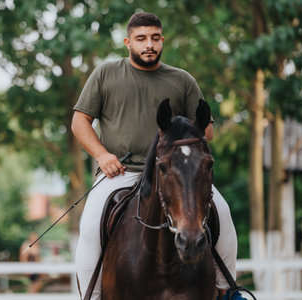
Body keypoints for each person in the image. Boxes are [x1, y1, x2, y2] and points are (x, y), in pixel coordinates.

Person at [71, 12, 246, 300]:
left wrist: (181, 132)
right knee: (90, 227)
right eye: (141, 39)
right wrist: (102, 155)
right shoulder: (105, 74)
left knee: (223, 213)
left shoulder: (182, 80)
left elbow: (208, 132)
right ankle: (91, 296)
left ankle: (229, 292)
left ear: (162, 40)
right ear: (128, 42)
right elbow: (80, 122)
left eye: (154, 38)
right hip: (120, 172)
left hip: (175, 173)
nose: (148, 44)